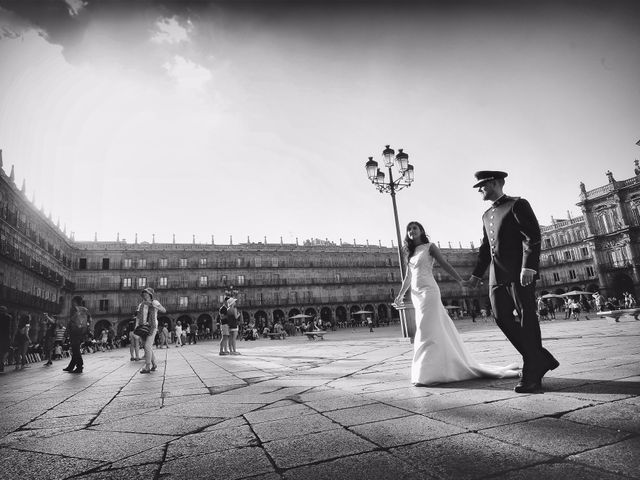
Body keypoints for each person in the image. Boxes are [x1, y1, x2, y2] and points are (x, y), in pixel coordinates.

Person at [465, 170, 559, 393]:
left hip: (519, 273)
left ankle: (532, 372)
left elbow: (532, 236)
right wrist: (477, 275)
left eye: (483, 185)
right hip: (496, 277)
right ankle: (539, 357)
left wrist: (528, 266)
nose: (479, 189)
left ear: (497, 183)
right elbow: (486, 248)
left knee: (527, 317)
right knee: (501, 317)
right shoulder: (486, 214)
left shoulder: (518, 204)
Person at [395, 221, 520, 386]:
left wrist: (460, 281)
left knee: (425, 328)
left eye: (414, 228)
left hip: (429, 291)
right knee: (427, 329)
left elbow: (445, 264)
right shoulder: (409, 253)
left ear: (421, 230)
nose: (411, 231)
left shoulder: (429, 247)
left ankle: (426, 373)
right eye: (409, 229)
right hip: (416, 294)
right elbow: (408, 277)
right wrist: (400, 295)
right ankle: (433, 370)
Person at [136, 287, 166, 374]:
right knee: (147, 346)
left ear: (150, 294)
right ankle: (154, 364)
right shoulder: (140, 305)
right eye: (143, 293)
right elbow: (138, 317)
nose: (144, 294)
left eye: (146, 293)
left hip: (152, 326)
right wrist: (136, 327)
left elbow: (164, 310)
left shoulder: (154, 302)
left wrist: (155, 306)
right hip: (142, 327)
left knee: (147, 346)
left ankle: (147, 366)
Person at [63, 296, 90, 374]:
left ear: (75, 301)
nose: (71, 303)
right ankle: (71, 366)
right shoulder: (85, 310)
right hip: (82, 331)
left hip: (74, 331)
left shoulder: (74, 309)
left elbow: (71, 320)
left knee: (75, 349)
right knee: (75, 349)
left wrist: (67, 331)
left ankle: (79, 366)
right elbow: (89, 321)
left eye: (72, 301)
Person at [0, 306, 11, 372]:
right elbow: (10, 328)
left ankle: (1, 364)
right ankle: (2, 363)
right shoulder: (8, 317)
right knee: (7, 350)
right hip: (6, 336)